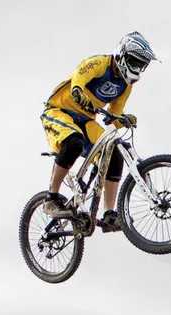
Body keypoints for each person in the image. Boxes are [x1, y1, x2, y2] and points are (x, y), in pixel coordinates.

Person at [39, 32, 158, 230]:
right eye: (134, 62)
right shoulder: (100, 64)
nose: (137, 68)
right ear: (122, 55)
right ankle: (51, 198)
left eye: (141, 65)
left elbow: (113, 114)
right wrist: (77, 91)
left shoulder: (125, 86)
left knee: (116, 151)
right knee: (74, 142)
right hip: (59, 111)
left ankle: (109, 214)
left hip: (86, 120)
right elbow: (80, 75)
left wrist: (123, 119)